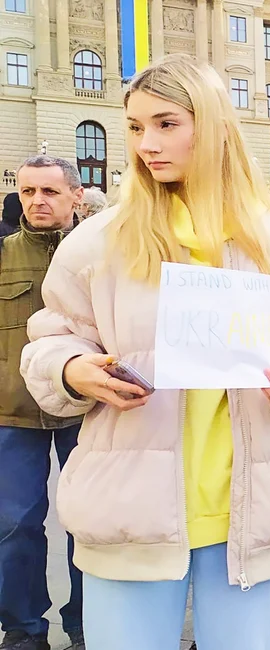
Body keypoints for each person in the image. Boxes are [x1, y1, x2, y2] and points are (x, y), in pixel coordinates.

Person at [19, 55, 270, 650]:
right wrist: (72, 370)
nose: (147, 143)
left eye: (166, 123)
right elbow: (52, 336)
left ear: (214, 124)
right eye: (135, 126)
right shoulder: (99, 241)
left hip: (256, 509)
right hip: (130, 509)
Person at [1, 156, 85, 650]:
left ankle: (87, 620)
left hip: (86, 409)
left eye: (50, 192)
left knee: (87, 521)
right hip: (13, 412)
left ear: (75, 195)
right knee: (14, 524)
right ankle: (23, 627)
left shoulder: (101, 254)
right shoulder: (4, 253)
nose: (37, 201)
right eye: (29, 191)